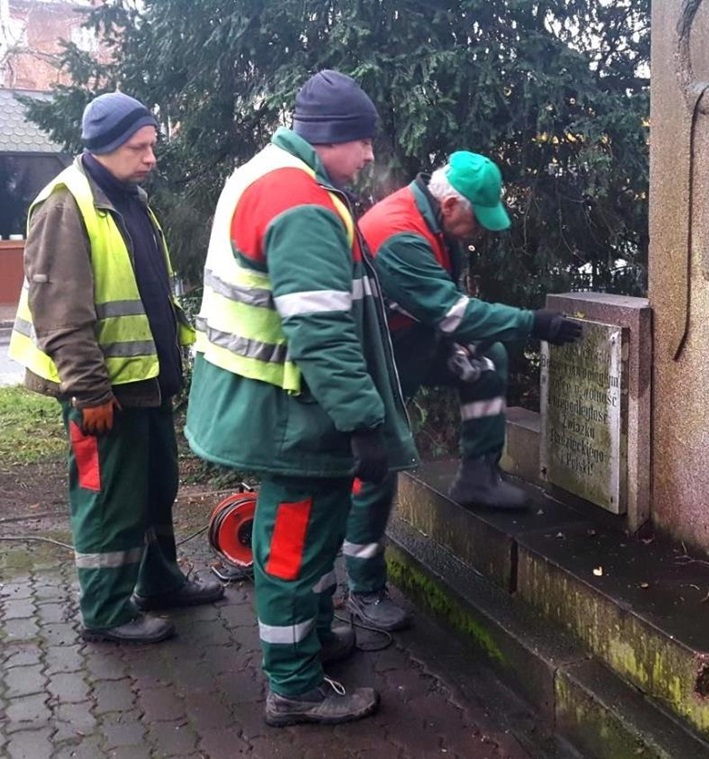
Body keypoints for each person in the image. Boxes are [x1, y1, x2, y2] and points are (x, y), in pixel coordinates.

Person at [184, 70, 417, 726]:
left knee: (307, 539)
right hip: (293, 417)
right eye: (361, 142)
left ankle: (309, 642)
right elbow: (320, 331)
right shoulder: (303, 200)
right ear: (330, 137)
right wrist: (363, 420)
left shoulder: (268, 174)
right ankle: (292, 685)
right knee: (291, 545)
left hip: (276, 407)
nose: (370, 155)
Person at [7, 92, 224, 645]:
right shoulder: (65, 204)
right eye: (138, 147)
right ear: (104, 147)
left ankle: (159, 582)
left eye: (152, 145)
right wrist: (89, 392)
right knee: (108, 500)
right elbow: (62, 316)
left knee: (154, 490)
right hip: (104, 394)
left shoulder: (128, 197)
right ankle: (105, 611)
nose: (151, 157)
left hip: (144, 383)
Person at [342, 151, 581, 632]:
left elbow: (447, 314)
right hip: (375, 357)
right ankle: (363, 589)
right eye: (476, 219)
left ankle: (478, 476)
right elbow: (452, 313)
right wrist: (532, 322)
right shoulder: (399, 235)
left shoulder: (435, 224)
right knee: (377, 466)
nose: (480, 232)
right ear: (451, 204)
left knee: (486, 357)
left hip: (411, 339)